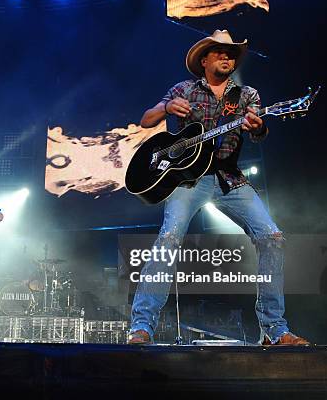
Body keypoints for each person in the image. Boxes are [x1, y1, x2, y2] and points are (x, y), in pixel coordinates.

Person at [127, 30, 309, 346]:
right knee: (168, 238)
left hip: (230, 178)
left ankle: (275, 330)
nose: (228, 57)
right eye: (221, 52)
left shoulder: (247, 95)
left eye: (232, 54)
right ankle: (141, 328)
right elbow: (146, 119)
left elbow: (259, 132)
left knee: (273, 237)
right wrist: (168, 108)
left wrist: (261, 124)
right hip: (188, 180)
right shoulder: (183, 89)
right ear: (205, 59)